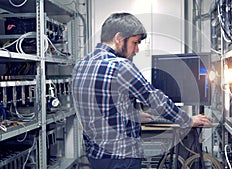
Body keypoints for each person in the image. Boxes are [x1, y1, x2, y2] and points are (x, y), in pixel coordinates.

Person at [72, 12, 212, 169]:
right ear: (118, 39)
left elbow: (100, 105)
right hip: (121, 157)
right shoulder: (121, 66)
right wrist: (188, 120)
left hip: (95, 155)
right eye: (135, 42)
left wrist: (135, 115)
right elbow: (156, 100)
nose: (137, 50)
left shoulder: (81, 65)